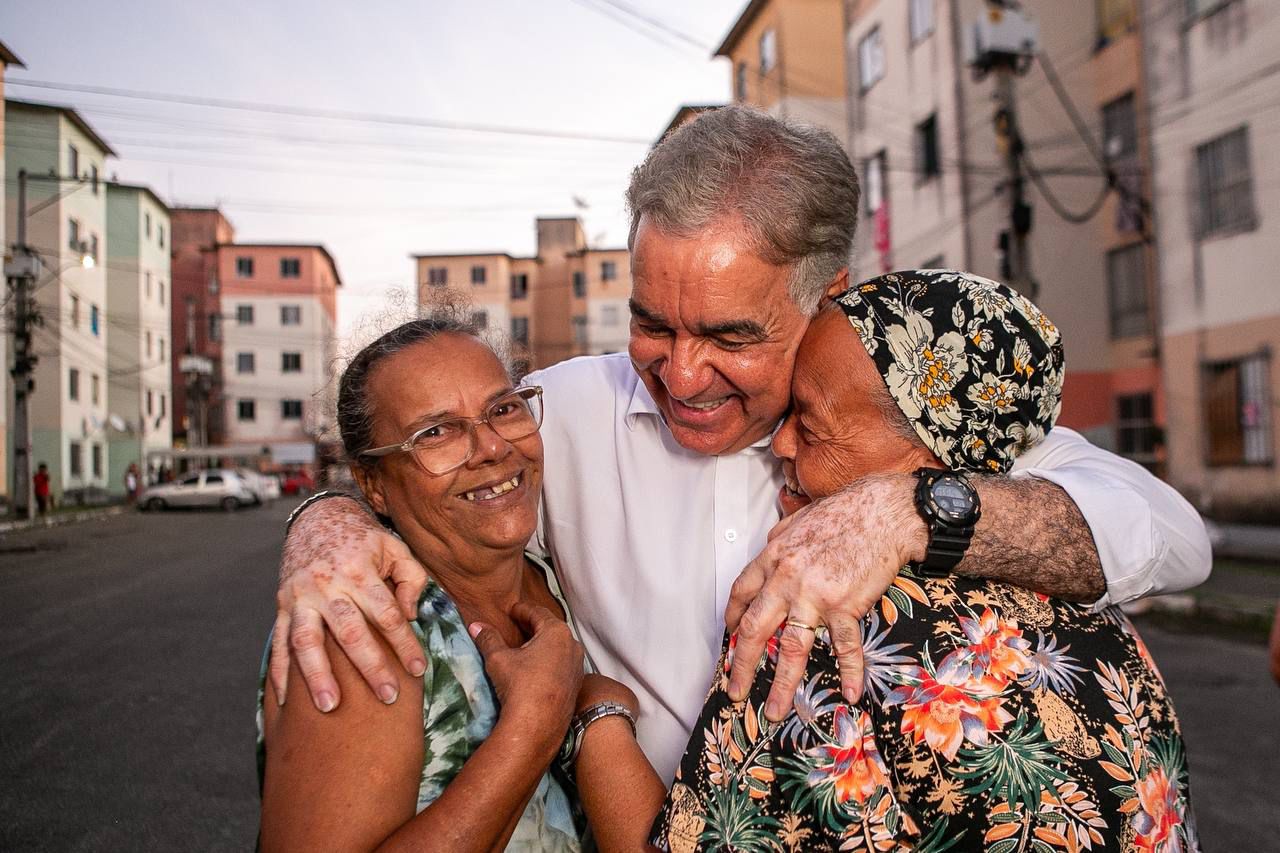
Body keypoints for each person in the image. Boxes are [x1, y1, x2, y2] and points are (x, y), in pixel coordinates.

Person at [270, 106, 1211, 785]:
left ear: (827, 292)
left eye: (729, 337)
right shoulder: (562, 412)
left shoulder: (912, 423)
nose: (679, 374)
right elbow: (429, 464)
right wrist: (328, 521)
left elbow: (1169, 533)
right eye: (651, 323)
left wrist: (907, 510)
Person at [650, 270, 1200, 852]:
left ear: (929, 457)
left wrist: (595, 717)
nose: (780, 444)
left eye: (809, 426)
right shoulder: (1103, 616)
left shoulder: (818, 627)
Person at [259, 317, 631, 850]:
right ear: (373, 484)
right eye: (435, 432)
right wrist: (534, 726)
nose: (492, 448)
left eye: (503, 409)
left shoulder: (550, 568)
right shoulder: (365, 630)